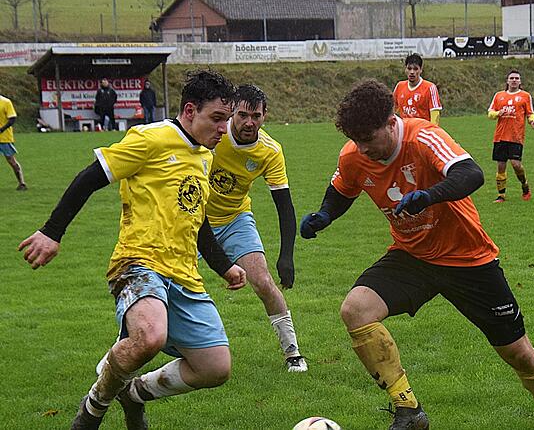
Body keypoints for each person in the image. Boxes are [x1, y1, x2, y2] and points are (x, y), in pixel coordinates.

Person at [299, 79, 534, 430]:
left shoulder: (422, 137)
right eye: (356, 141)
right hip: (413, 256)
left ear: (391, 123)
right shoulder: (354, 154)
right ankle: (409, 411)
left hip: (469, 259)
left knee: (518, 353)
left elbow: (470, 174)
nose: (362, 150)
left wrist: (428, 196)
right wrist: (325, 214)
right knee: (356, 309)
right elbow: (341, 190)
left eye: (369, 140)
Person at [19, 69, 247, 429]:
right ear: (190, 111)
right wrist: (52, 231)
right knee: (149, 337)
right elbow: (90, 177)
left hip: (184, 275)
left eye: (226, 120)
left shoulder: (204, 156)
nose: (224, 128)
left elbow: (196, 219)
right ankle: (93, 407)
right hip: (138, 262)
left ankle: (135, 393)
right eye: (217, 119)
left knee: (215, 368)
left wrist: (225, 267)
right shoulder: (150, 139)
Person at [205, 84, 307, 373]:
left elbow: (284, 206)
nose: (249, 122)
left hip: (235, 219)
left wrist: (287, 255)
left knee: (262, 280)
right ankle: (130, 346)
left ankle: (293, 353)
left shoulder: (270, 151)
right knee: (165, 280)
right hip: (193, 220)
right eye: (242, 115)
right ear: (232, 113)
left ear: (265, 116)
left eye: (256, 116)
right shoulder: (213, 135)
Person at [487, 69, 534, 203]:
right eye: (512, 78)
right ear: (507, 81)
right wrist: (498, 113)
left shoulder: (525, 96)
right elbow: (490, 113)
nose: (514, 80)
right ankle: (501, 195)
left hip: (516, 136)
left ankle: (524, 184)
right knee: (501, 166)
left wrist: (532, 121)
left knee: (516, 165)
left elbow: (530, 113)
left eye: (517, 78)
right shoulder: (499, 96)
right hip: (500, 136)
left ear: (520, 81)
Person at [393, 53, 442, 126]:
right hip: (405, 133)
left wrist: (431, 131)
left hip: (422, 132)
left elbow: (435, 113)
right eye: (409, 68)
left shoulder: (430, 88)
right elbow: (391, 109)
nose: (412, 72)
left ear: (421, 70)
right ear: (405, 69)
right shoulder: (399, 86)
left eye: (415, 69)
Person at [0, 94, 26, 191]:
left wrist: (2, 129)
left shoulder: (5, 102)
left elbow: (12, 119)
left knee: (11, 161)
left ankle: (22, 183)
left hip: (4, 137)